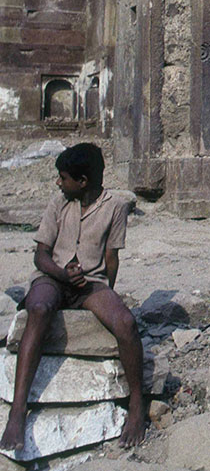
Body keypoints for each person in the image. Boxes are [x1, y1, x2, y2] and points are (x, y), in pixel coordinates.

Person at [0, 143, 146, 454]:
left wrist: (107, 293)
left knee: (125, 322)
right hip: (53, 277)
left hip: (90, 282)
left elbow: (111, 258)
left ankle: (136, 404)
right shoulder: (58, 202)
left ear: (82, 181)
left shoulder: (115, 207)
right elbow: (41, 256)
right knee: (39, 307)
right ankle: (17, 411)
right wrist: (63, 274)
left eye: (63, 178)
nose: (58, 183)